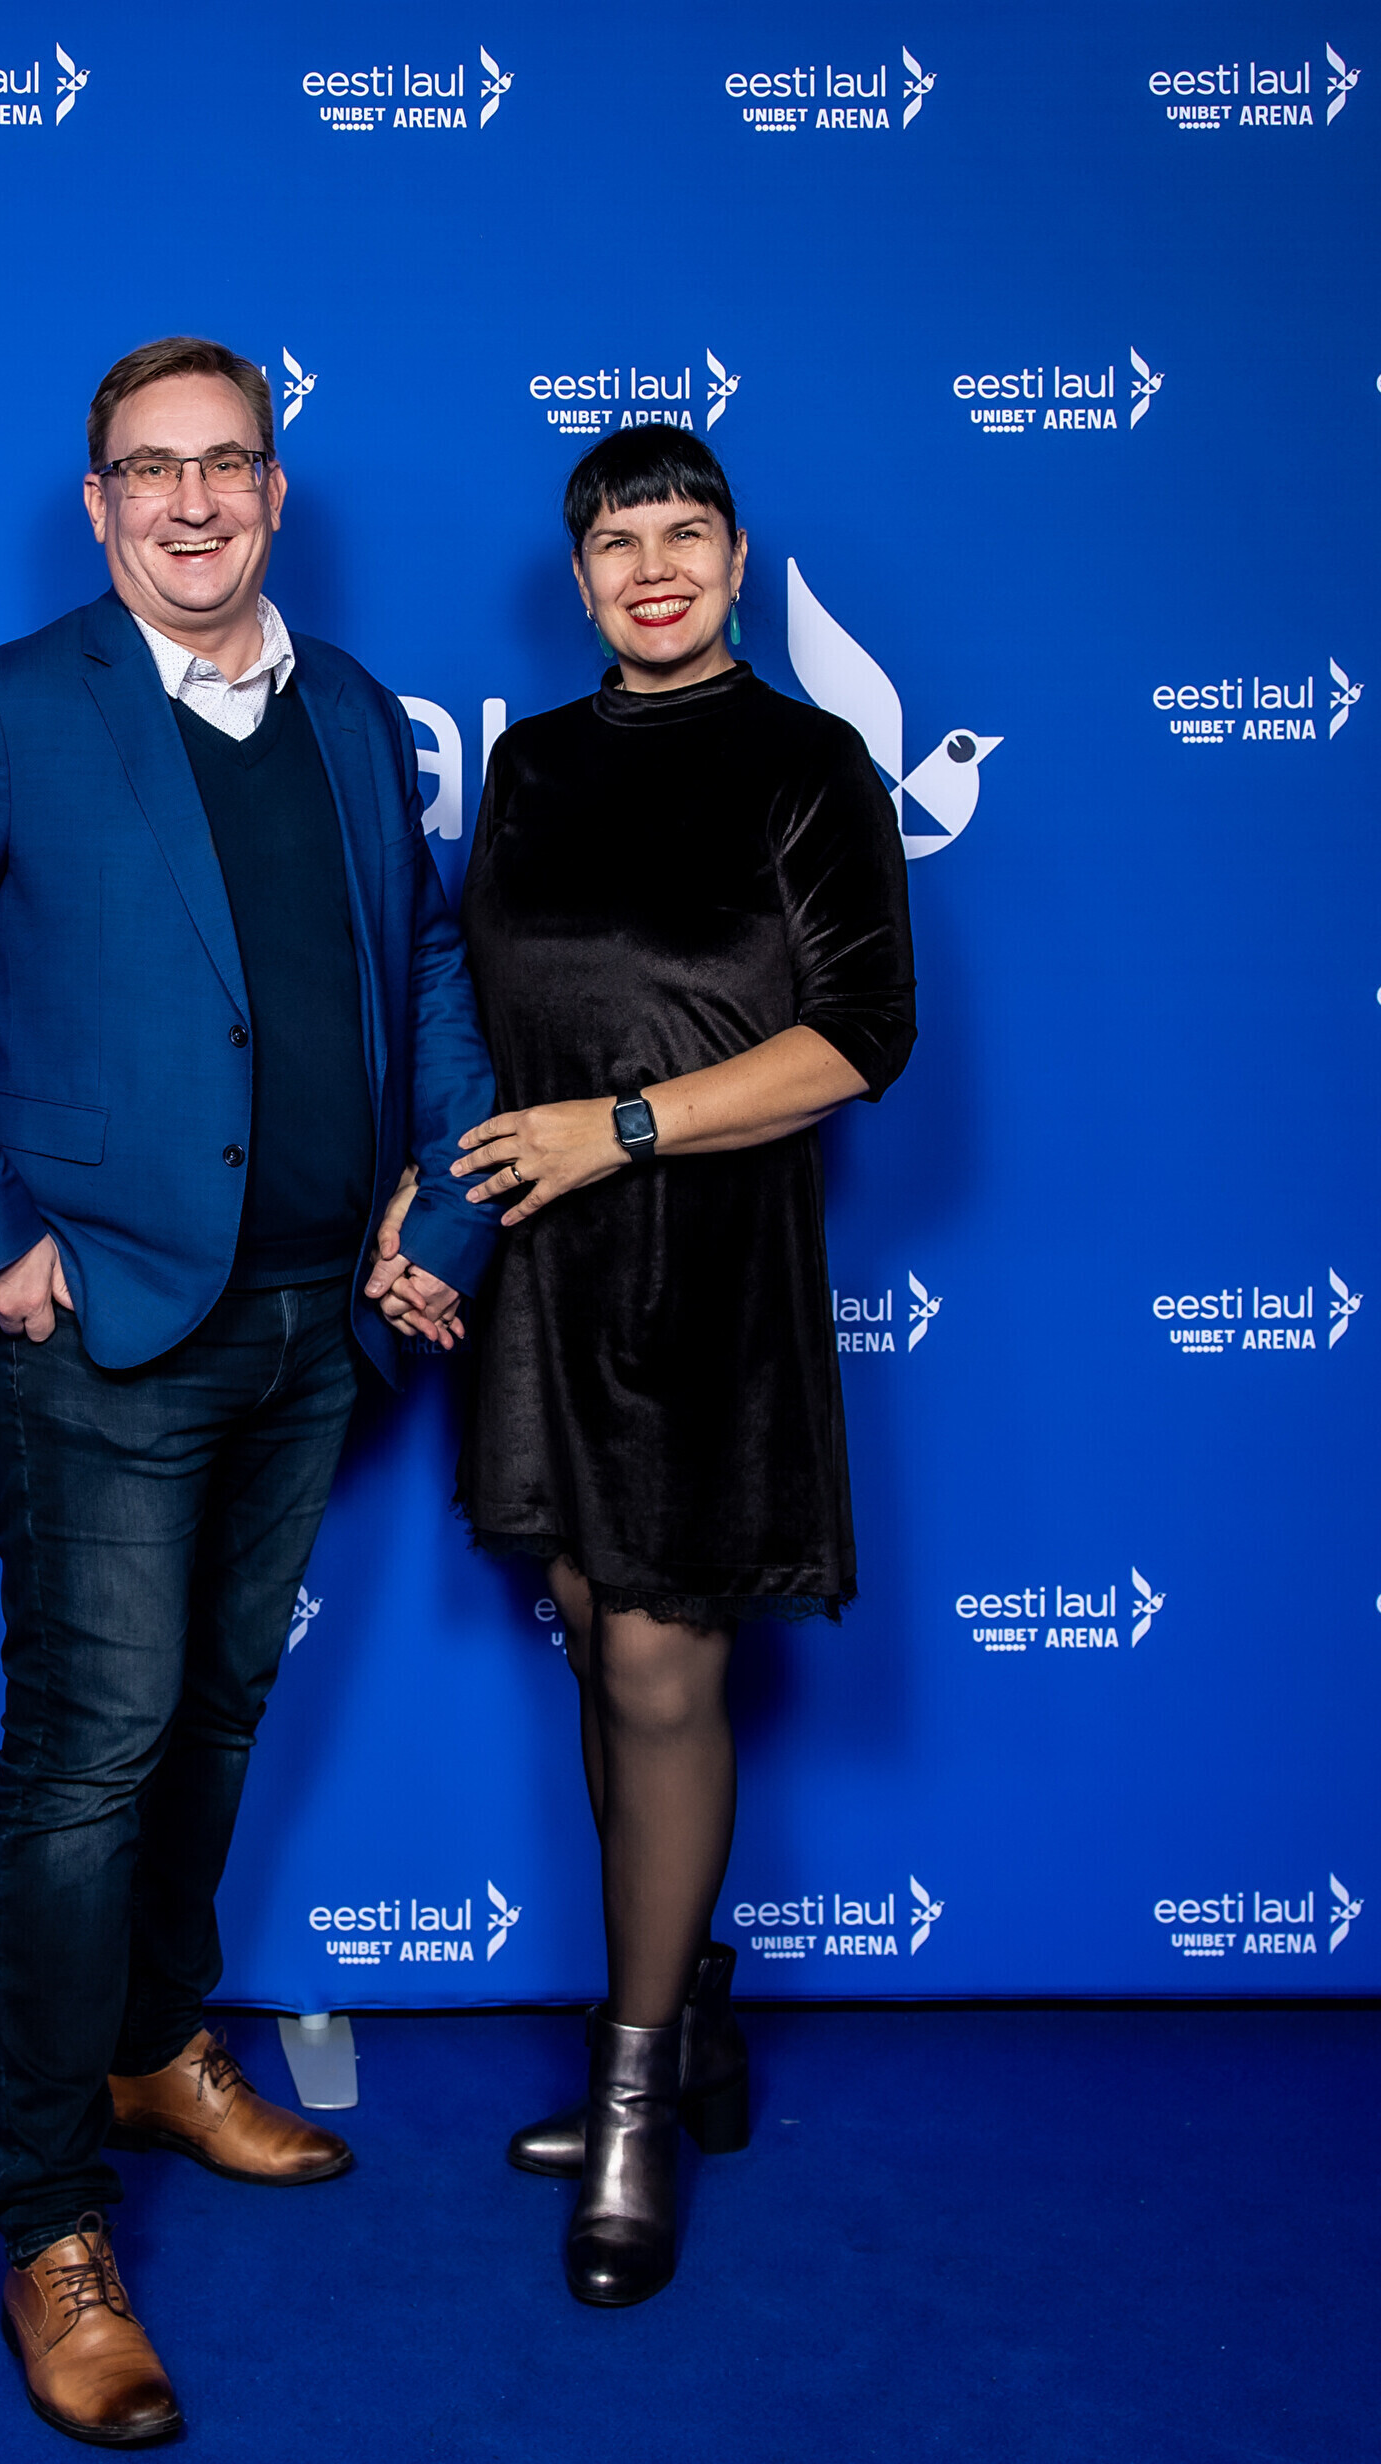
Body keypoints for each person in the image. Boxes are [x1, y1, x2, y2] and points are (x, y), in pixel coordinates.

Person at [0, 337, 496, 2444]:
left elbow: (427, 966)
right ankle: (50, 2221)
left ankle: (153, 2043)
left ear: (275, 492)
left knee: (212, 1715)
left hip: (314, 1320)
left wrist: (445, 1205)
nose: (192, 501)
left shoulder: (355, 709)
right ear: (98, 502)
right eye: (149, 470)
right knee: (88, 1759)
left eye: (227, 464)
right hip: (101, 1323)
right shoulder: (15, 707)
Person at [450, 424, 916, 2308]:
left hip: (709, 1264)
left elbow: (861, 1037)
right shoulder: (533, 765)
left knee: (657, 1658)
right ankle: (690, 2023)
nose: (653, 567)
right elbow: (481, 1008)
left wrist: (622, 1129)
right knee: (592, 1619)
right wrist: (441, 1197)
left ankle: (633, 2097)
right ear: (577, 580)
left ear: (736, 560)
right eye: (617, 541)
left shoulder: (810, 763)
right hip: (545, 1260)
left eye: (686, 533)